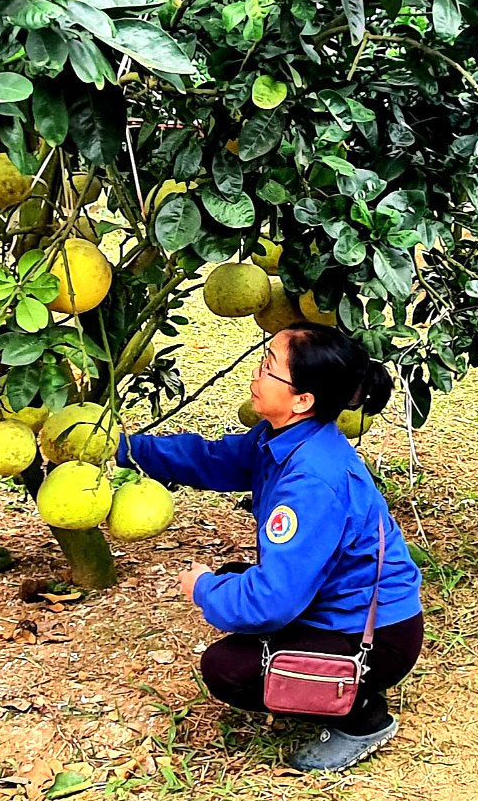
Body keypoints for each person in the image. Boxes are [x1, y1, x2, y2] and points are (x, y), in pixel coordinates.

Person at [116, 322, 425, 771]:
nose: (256, 378)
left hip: (377, 637)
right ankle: (327, 673)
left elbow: (270, 603)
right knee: (235, 583)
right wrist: (125, 449)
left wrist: (201, 588)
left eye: (268, 368)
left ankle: (362, 716)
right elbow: (213, 460)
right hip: (344, 608)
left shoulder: (311, 482)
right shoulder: (284, 438)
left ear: (303, 400)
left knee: (228, 669)